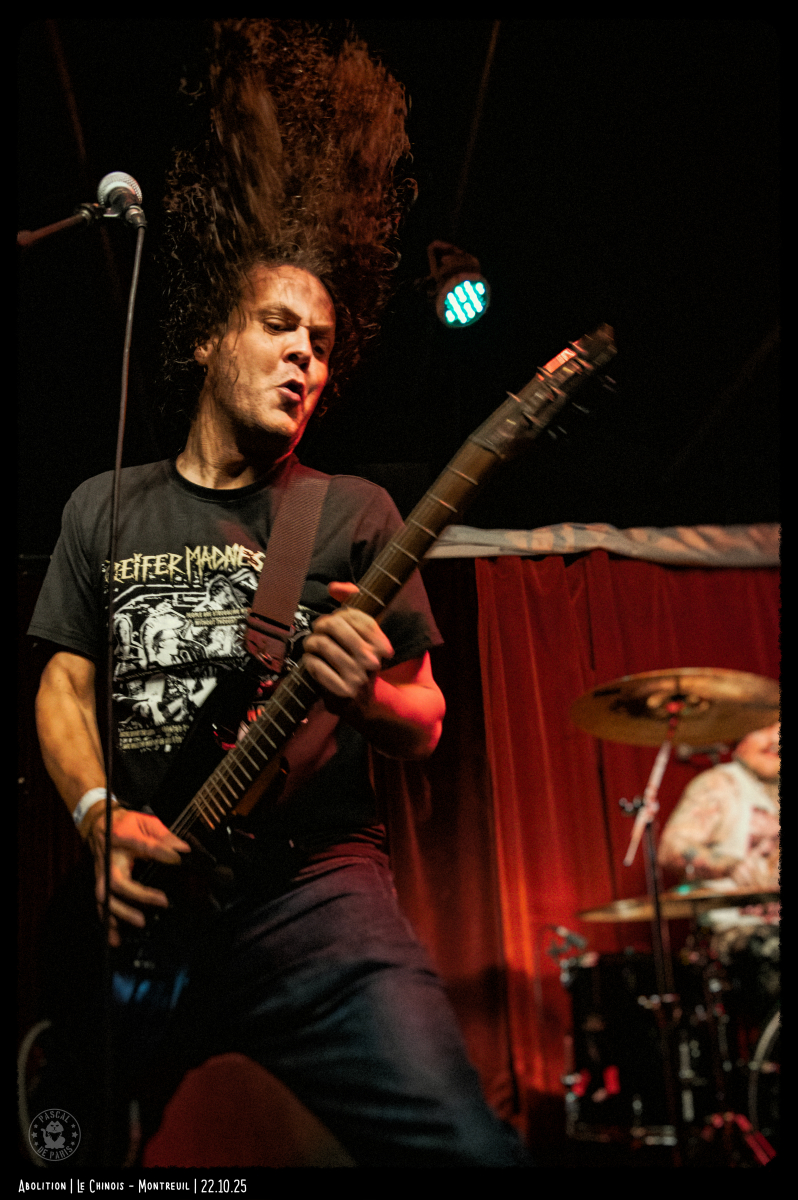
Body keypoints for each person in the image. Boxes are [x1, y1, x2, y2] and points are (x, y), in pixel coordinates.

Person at [27, 20, 529, 1169]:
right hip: (146, 891)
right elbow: (62, 682)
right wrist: (97, 818)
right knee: (65, 1152)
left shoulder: (351, 511)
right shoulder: (102, 507)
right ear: (210, 338)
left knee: (464, 1148)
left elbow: (425, 717)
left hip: (313, 891)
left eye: (322, 340)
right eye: (277, 326)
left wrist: (367, 697)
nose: (305, 354)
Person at [657, 721, 780, 893]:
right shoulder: (720, 783)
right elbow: (671, 848)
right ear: (740, 739)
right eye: (764, 729)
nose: (775, 739)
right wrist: (728, 866)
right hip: (731, 906)